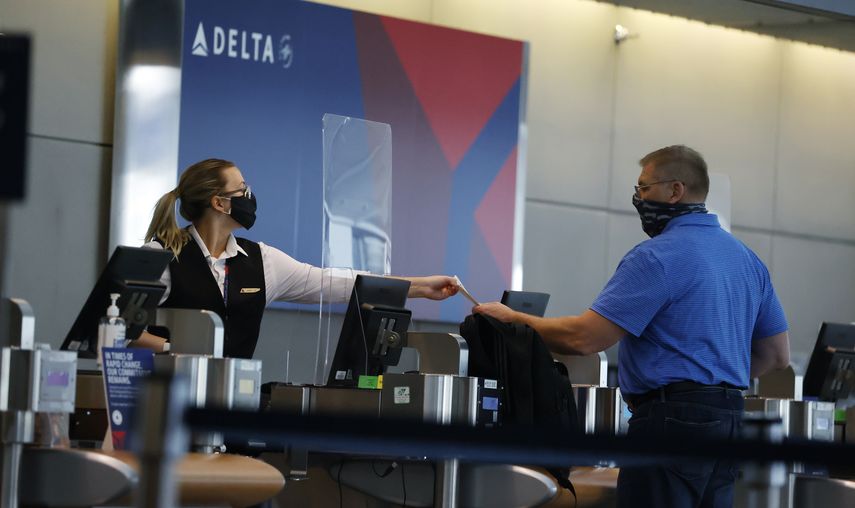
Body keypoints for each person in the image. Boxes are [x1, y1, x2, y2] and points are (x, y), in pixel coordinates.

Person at [474, 145, 790, 508]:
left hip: (670, 422)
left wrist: (515, 319)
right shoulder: (747, 260)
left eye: (644, 188)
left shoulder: (657, 256)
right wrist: (712, 384)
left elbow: (585, 337)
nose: (638, 199)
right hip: (732, 421)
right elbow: (776, 355)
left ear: (675, 190)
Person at [134, 158, 459, 359]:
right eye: (242, 188)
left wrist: (418, 286)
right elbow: (115, 329)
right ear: (219, 203)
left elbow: (335, 283)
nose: (250, 196)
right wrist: (172, 351)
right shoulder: (161, 257)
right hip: (163, 405)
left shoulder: (261, 261)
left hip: (228, 407)